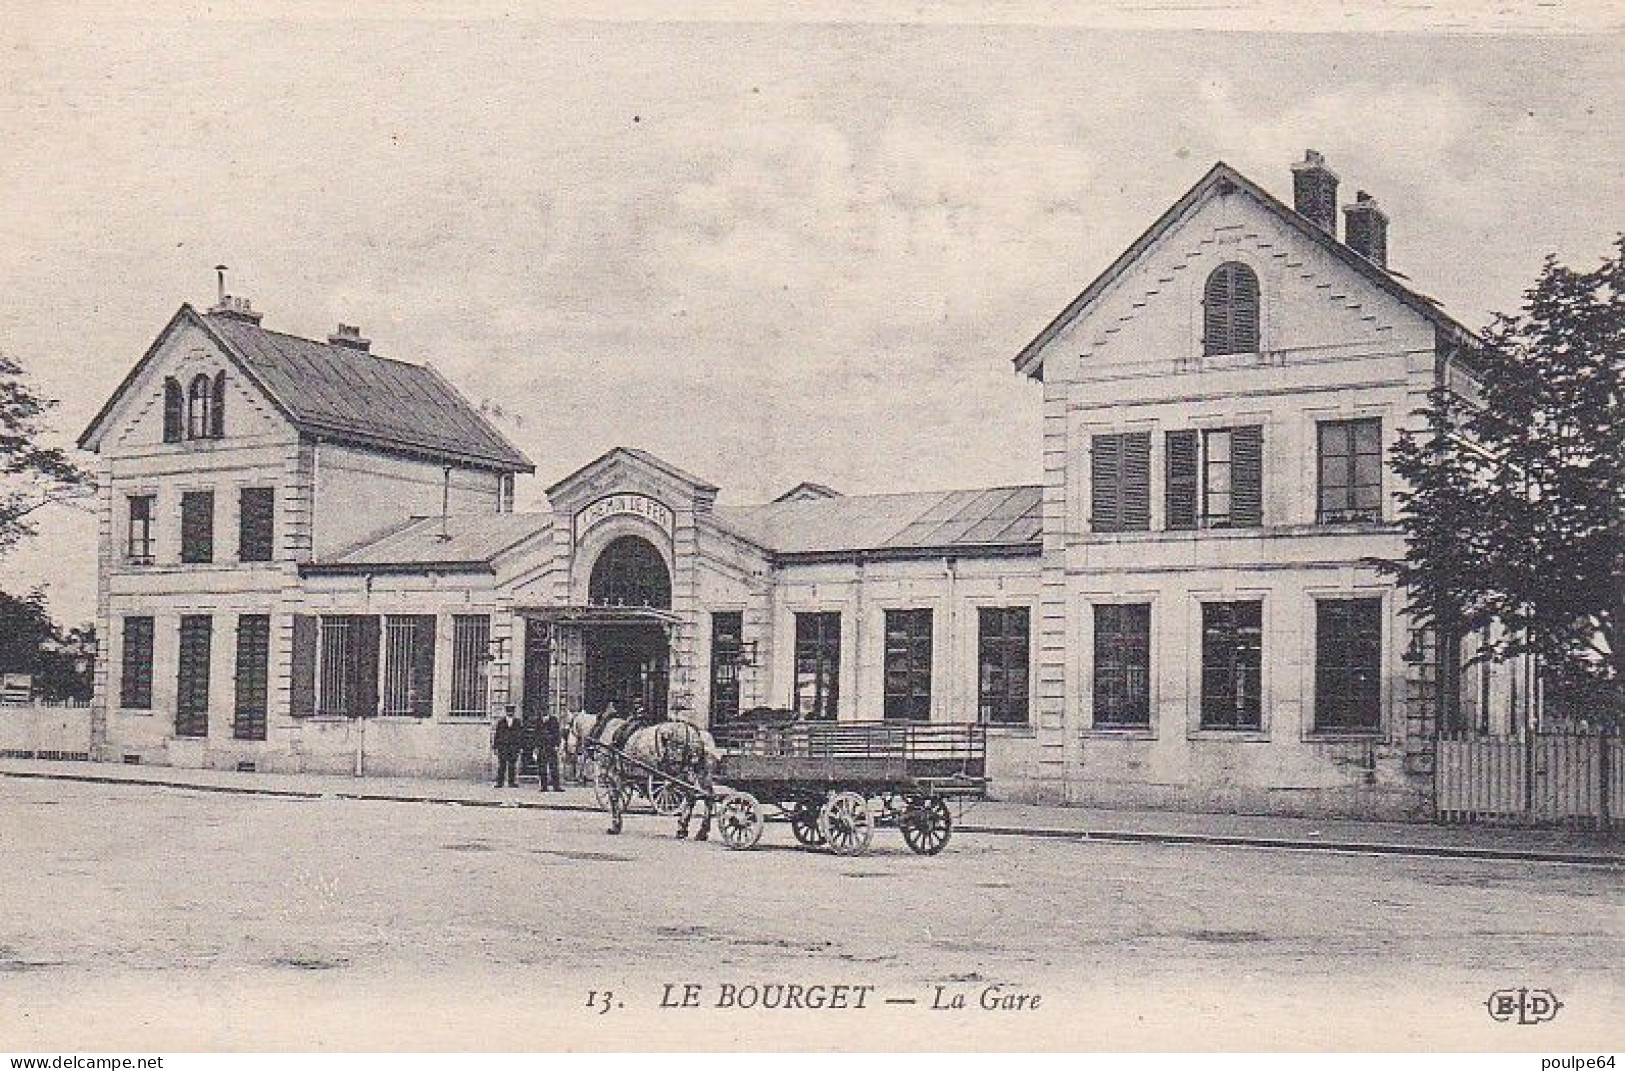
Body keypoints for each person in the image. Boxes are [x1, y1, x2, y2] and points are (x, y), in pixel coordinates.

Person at [491, 705, 523, 788]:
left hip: (513, 746)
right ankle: (500, 782)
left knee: (512, 765)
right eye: (509, 711)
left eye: (512, 711)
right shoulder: (501, 722)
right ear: (506, 712)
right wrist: (495, 747)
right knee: (502, 765)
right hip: (503, 746)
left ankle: (511, 782)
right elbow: (497, 735)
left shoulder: (517, 722)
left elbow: (520, 735)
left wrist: (520, 747)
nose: (510, 713)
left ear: (514, 712)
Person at [536, 709, 563, 792]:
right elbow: (535, 735)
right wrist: (536, 747)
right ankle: (544, 787)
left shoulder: (554, 720)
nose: (544, 713)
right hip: (542, 747)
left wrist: (557, 745)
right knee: (542, 767)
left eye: (546, 711)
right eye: (543, 711)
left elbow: (557, 733)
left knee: (554, 767)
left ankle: (556, 786)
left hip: (551, 746)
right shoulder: (538, 721)